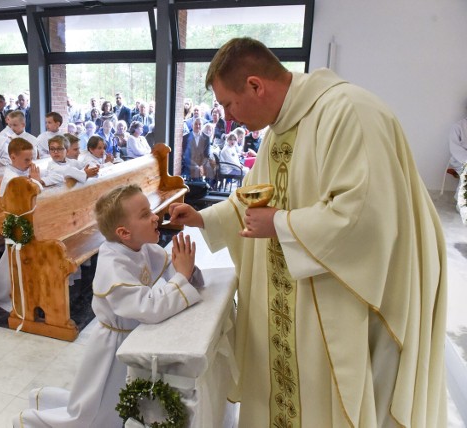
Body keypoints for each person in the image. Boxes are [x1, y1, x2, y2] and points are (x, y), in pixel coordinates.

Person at [168, 37, 447, 427]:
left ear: (254, 85)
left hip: (350, 292)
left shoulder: (348, 112)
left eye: (228, 104)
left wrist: (281, 224)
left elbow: (366, 217)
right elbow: (251, 197)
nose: (227, 119)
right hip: (298, 299)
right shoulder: (279, 129)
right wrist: (202, 218)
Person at [14, 184, 204, 428]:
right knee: (94, 408)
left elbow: (172, 270)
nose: (156, 216)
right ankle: (32, 421)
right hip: (113, 346)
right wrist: (182, 277)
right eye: (145, 214)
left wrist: (186, 271)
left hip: (132, 338)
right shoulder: (112, 264)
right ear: (124, 233)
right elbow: (148, 307)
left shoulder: (144, 247)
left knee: (116, 402)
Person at [0, 138, 42, 312]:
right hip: (17, 224)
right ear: (12, 157)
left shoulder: (21, 173)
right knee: (12, 261)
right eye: (26, 159)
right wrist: (36, 180)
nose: (30, 162)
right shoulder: (12, 177)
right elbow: (20, 197)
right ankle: (1, 293)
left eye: (32, 158)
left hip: (27, 220)